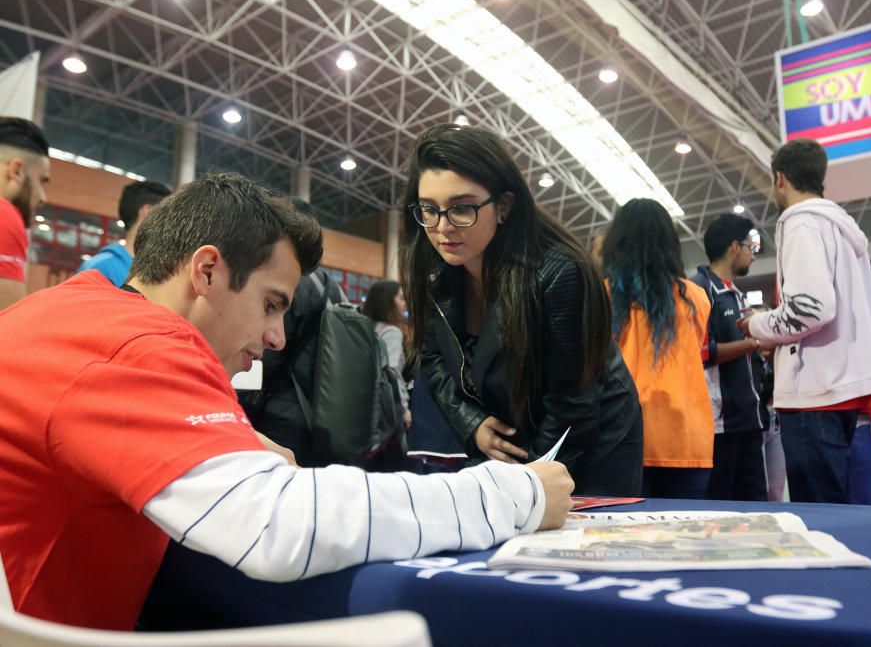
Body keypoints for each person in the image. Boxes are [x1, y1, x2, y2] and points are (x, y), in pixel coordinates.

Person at [0, 172, 573, 631]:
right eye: (271, 303)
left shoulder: (67, 311)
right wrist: (513, 493)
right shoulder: (141, 345)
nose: (276, 337)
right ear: (206, 271)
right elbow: (276, 527)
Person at [401, 123, 643, 496]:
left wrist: (529, 485)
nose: (442, 227)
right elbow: (433, 360)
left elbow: (572, 406)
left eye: (462, 208)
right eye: (429, 209)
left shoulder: (560, 273)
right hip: (510, 435)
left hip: (593, 438)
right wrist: (472, 424)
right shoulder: (436, 272)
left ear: (503, 207)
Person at [738, 139, 871, 504]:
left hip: (814, 391)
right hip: (838, 387)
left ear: (780, 178)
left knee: (820, 516)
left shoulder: (802, 223)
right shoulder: (839, 226)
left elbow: (811, 308)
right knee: (836, 510)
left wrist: (758, 324)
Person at [602, 198, 714, 499]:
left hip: (623, 436)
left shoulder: (603, 296)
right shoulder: (697, 298)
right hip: (687, 437)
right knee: (685, 538)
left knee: (628, 541)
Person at [691, 213, 769, 501]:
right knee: (721, 510)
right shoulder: (700, 289)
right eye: (752, 246)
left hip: (748, 418)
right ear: (735, 247)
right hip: (719, 425)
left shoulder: (734, 293)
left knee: (757, 508)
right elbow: (700, 352)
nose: (754, 255)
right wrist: (753, 342)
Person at [77, 180, 172, 286]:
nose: (172, 223)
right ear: (148, 211)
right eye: (167, 214)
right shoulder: (99, 268)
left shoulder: (157, 273)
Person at [0, 117, 50, 310]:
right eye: (41, 181)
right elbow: (8, 330)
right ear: (16, 171)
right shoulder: (4, 216)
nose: (43, 197)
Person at [362, 279, 412, 431]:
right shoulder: (391, 332)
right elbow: (392, 373)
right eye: (401, 298)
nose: (404, 304)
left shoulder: (364, 327)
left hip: (363, 403)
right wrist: (404, 408)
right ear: (387, 302)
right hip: (385, 407)